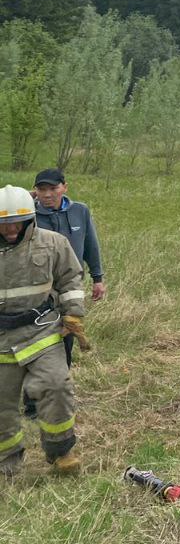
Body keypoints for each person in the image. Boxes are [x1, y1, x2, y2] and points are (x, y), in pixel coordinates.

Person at [0, 183, 87, 477]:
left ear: (31, 219)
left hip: (42, 332)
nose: (11, 231)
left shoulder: (53, 244)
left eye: (17, 224)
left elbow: (71, 279)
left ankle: (61, 452)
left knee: (57, 386)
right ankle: (7, 463)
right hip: (1, 342)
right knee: (2, 406)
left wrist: (73, 315)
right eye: (4, 225)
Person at [32, 168, 105, 368]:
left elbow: (91, 245)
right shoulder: (27, 214)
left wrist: (98, 278)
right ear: (34, 190)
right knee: (38, 338)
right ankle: (35, 396)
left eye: (53, 188)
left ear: (64, 187)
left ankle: (62, 384)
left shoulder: (80, 211)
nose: (47, 195)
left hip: (70, 285)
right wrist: (25, 198)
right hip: (40, 287)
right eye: (41, 189)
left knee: (68, 332)